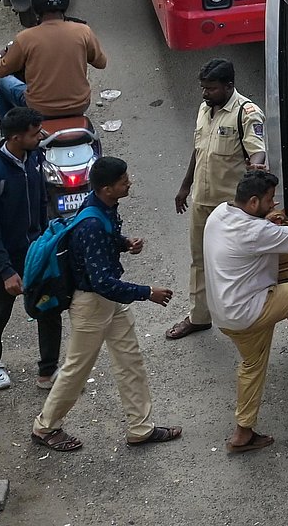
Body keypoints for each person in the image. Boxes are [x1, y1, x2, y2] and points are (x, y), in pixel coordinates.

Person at [31, 156, 180, 452]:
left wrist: (124, 244)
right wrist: (147, 292)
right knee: (77, 368)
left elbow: (103, 252)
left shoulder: (100, 208)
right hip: (92, 305)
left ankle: (140, 427)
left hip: (108, 304)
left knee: (130, 361)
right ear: (107, 188)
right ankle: (45, 427)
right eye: (124, 180)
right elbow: (102, 282)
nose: (129, 183)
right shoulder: (91, 226)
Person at [203, 170, 288, 452]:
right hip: (249, 311)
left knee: (252, 366)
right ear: (251, 202)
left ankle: (242, 434)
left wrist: (267, 220)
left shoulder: (221, 214)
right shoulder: (255, 231)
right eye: (269, 200)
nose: (274, 205)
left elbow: (253, 233)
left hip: (224, 311)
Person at [168, 59, 266, 340]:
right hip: (201, 199)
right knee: (198, 260)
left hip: (231, 208)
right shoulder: (204, 109)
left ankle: (249, 320)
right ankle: (199, 317)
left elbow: (257, 151)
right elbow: (199, 149)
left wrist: (257, 165)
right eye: (203, 88)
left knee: (237, 263)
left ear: (229, 86)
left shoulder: (247, 113)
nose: (204, 93)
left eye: (211, 88)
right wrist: (185, 186)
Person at [0, 106, 63, 393]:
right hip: (1, 259)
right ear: (15, 137)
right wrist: (6, 271)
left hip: (35, 252)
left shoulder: (34, 158)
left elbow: (40, 201)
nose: (41, 137)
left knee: (49, 307)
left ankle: (47, 372)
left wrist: (46, 239)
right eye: (35, 134)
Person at [0, 0, 103, 124]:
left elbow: (1, 71)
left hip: (39, 109)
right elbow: (101, 62)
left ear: (35, 5)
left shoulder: (25, 38)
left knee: (3, 83)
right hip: (80, 105)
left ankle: (11, 141)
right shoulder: (83, 31)